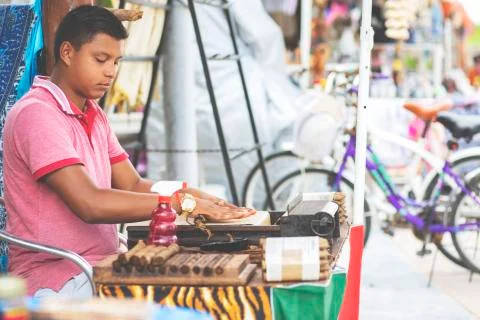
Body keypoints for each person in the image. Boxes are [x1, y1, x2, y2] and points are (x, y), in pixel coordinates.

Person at [3, 5, 254, 298]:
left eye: (117, 61)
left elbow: (133, 184)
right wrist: (179, 203)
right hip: (57, 280)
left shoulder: (93, 114)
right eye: (100, 59)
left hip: (99, 267)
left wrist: (195, 195)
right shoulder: (37, 114)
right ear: (67, 53)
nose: (110, 72)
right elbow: (90, 203)